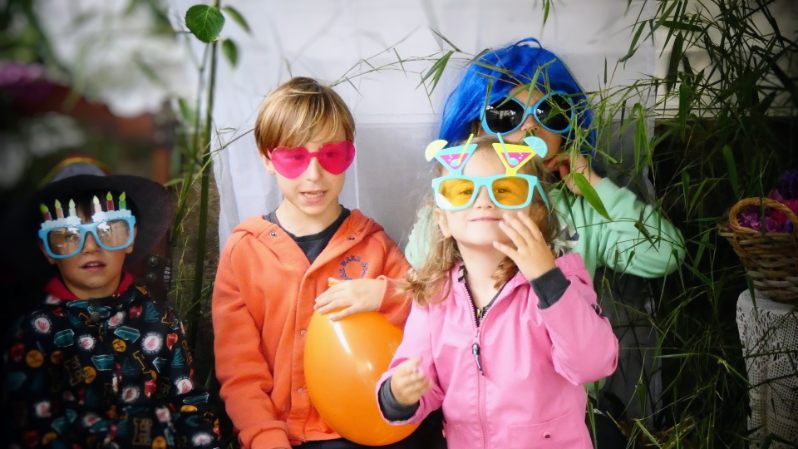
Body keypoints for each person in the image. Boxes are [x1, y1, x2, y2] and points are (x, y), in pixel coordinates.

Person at [404, 37, 686, 444]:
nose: (530, 125)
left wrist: (592, 184)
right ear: (475, 125)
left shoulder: (582, 210)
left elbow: (666, 253)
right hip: (471, 414)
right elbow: (421, 270)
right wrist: (465, 187)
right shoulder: (459, 203)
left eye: (550, 113)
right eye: (507, 113)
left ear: (567, 128)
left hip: (564, 409)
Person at [211, 77, 443, 449]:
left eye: (330, 156)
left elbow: (434, 314)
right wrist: (264, 436)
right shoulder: (245, 251)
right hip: (282, 434)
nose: (314, 175)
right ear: (267, 158)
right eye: (294, 157)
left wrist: (384, 293)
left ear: (349, 155)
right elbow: (240, 369)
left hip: (372, 429)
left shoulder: (372, 243)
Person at [377, 135, 619, 448]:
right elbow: (418, 376)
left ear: (535, 213)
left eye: (505, 190)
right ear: (443, 220)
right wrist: (397, 394)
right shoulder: (435, 296)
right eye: (463, 191)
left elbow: (592, 363)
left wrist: (547, 279)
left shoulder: (560, 284)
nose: (483, 200)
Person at [1, 157, 219, 448]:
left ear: (130, 237)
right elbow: (31, 429)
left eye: (108, 230)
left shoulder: (160, 319)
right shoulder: (34, 334)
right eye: (68, 235)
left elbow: (192, 407)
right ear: (47, 249)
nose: (91, 246)